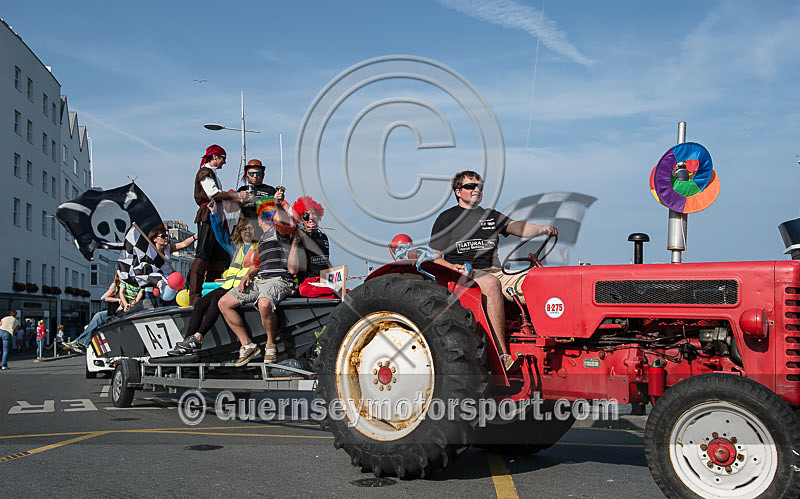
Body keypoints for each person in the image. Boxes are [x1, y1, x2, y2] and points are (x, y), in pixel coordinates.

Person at [430, 170, 558, 371]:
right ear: (457, 191)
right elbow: (436, 257)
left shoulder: (490, 216)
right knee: (491, 283)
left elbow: (519, 228)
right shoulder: (447, 218)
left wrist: (542, 228)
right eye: (470, 186)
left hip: (497, 271)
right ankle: (503, 355)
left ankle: (551, 342)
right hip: (465, 275)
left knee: (538, 280)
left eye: (479, 186)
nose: (476, 190)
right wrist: (452, 267)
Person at [168, 207, 260, 356]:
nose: (247, 232)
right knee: (200, 304)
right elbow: (220, 236)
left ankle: (199, 337)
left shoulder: (259, 247)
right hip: (228, 285)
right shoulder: (236, 248)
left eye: (250, 229)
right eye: (243, 229)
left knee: (217, 299)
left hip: (243, 287)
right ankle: (187, 342)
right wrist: (214, 216)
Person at [218, 205, 302, 366]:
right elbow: (257, 264)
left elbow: (284, 219)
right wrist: (247, 276)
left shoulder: (281, 232)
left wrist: (279, 203)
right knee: (224, 302)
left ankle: (271, 344)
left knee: (264, 304)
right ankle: (248, 345)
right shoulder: (262, 239)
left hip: (279, 279)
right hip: (261, 279)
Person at [189, 145, 243, 304]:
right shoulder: (205, 173)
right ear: (215, 157)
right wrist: (236, 195)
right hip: (208, 216)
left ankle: (211, 291)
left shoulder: (210, 173)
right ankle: (195, 295)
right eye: (223, 158)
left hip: (216, 216)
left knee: (217, 254)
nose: (224, 162)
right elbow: (213, 193)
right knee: (203, 253)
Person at [292, 196, 334, 298]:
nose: (311, 218)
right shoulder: (299, 238)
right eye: (306, 215)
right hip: (308, 283)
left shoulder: (323, 237)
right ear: (302, 220)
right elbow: (293, 269)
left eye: (314, 214)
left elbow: (326, 262)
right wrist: (295, 242)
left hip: (324, 280)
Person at [68, 276, 122, 350]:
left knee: (99, 317)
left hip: (119, 314)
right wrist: (118, 300)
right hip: (113, 312)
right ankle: (81, 342)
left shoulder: (127, 286)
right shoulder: (115, 286)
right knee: (98, 317)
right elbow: (106, 297)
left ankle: (81, 342)